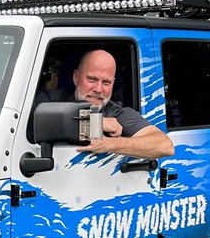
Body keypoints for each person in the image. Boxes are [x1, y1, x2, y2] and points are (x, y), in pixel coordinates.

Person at [36, 49, 174, 159]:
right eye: (92, 79)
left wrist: (110, 144)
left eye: (106, 82)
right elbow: (33, 123)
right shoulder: (49, 99)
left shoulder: (117, 113)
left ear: (113, 83)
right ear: (76, 77)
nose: (98, 89)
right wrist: (96, 123)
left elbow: (164, 145)